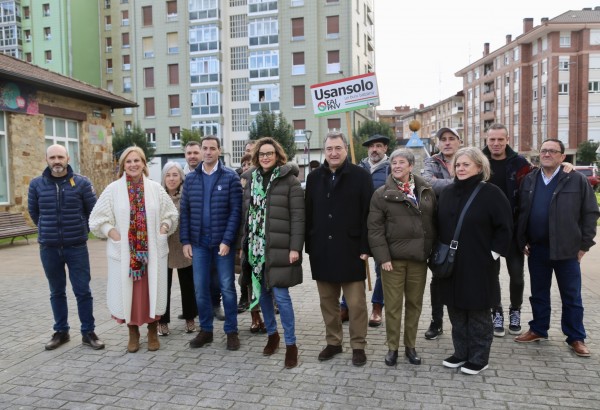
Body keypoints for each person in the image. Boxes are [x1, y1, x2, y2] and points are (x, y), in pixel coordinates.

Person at [515, 139, 599, 357]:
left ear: (563, 156)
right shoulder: (530, 179)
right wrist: (522, 237)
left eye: (552, 151)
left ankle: (576, 337)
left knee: (571, 296)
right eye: (544, 151)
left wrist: (584, 245)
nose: (547, 154)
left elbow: (590, 213)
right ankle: (538, 329)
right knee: (539, 293)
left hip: (568, 249)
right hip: (537, 249)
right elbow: (522, 211)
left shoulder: (576, 179)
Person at [89, 146, 178, 353]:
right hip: (126, 255)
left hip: (151, 252)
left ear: (144, 164)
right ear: (123, 166)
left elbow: (171, 214)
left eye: (137, 161)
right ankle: (133, 332)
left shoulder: (155, 188)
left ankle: (153, 331)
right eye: (128, 162)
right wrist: (113, 233)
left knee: (152, 293)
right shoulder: (113, 190)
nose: (133, 165)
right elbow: (96, 219)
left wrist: (164, 228)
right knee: (128, 294)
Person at [438, 147, 512, 375]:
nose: (460, 168)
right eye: (457, 165)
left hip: (479, 263)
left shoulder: (491, 193)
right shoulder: (448, 192)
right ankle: (461, 353)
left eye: (466, 164)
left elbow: (505, 228)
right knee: (456, 308)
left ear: (479, 167)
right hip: (452, 263)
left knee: (478, 310)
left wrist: (493, 254)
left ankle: (479, 357)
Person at [305, 131, 374, 367]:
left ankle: (358, 345)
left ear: (346, 149)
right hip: (322, 249)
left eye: (338, 148)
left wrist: (367, 246)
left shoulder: (361, 176)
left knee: (356, 304)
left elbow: (369, 215)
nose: (333, 153)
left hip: (352, 249)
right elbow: (308, 213)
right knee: (328, 302)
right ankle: (333, 342)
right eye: (329, 149)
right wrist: (309, 244)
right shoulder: (314, 177)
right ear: (324, 151)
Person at [28, 144, 104, 351]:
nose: (57, 161)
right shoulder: (36, 184)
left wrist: (79, 230)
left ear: (68, 158)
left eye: (60, 156)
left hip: (76, 246)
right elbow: (34, 213)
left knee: (83, 291)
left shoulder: (81, 183)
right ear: (46, 159)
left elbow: (93, 212)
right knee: (56, 291)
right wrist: (48, 231)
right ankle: (61, 331)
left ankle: (88, 332)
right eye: (52, 157)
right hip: (49, 248)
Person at [240, 137, 305, 369]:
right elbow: (246, 215)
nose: (265, 157)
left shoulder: (289, 181)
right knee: (262, 294)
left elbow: (298, 217)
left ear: (278, 155)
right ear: (256, 157)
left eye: (270, 153)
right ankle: (272, 335)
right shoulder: (250, 180)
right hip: (255, 248)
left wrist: (295, 247)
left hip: (279, 247)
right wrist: (243, 244)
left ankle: (291, 345)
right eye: (261, 154)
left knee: (282, 297)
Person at [368, 149, 437, 366]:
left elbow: (433, 222)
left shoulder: (426, 190)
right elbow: (375, 229)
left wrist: (431, 251)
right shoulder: (381, 194)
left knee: (415, 304)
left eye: (401, 163)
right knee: (394, 305)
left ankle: (410, 346)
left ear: (410, 166)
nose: (396, 166)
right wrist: (383, 258)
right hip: (392, 262)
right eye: (394, 163)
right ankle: (392, 348)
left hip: (418, 259)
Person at [180, 136, 243, 351]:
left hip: (222, 244)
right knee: (200, 289)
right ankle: (206, 330)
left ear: (219, 151)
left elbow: (236, 212)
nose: (207, 152)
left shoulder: (230, 177)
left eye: (212, 148)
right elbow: (185, 212)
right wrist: (185, 240)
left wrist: (227, 240)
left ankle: (231, 331)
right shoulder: (190, 179)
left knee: (226, 287)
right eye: (204, 148)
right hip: (198, 243)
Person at [482, 124, 534, 337]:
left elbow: (533, 189)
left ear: (507, 139)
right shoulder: (479, 160)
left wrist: (566, 167)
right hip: (487, 231)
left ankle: (515, 310)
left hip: (513, 230)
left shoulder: (520, 163)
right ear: (487, 140)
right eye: (492, 140)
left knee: (517, 276)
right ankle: (497, 312)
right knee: (491, 275)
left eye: (500, 140)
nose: (496, 144)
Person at [340, 133, 390, 327]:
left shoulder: (391, 169)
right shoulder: (357, 169)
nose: (374, 149)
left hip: (381, 228)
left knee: (382, 269)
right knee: (351, 268)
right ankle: (345, 306)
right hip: (357, 227)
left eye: (378, 146)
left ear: (385, 148)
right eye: (371, 146)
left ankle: (377, 307)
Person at [421, 127, 461, 340]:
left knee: (462, 277)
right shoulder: (432, 162)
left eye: (451, 139)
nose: (447, 142)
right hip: (439, 227)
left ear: (459, 141)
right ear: (438, 143)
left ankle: (461, 322)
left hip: (464, 228)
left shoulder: (468, 158)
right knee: (438, 276)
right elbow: (427, 184)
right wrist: (459, 182)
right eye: (443, 139)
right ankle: (436, 322)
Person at [184, 140, 224, 321]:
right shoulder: (185, 176)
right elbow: (185, 210)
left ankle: (216, 305)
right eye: (189, 153)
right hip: (197, 238)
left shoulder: (224, 175)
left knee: (217, 278)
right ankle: (202, 315)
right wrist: (186, 239)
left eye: (195, 152)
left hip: (218, 238)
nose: (193, 156)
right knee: (198, 281)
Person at [158, 162, 197, 336]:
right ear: (163, 178)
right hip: (163, 247)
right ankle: (162, 321)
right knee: (162, 286)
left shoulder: (187, 196)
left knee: (188, 285)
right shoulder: (158, 197)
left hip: (183, 246)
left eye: (175, 175)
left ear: (181, 177)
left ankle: (190, 318)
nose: (171, 178)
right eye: (168, 175)